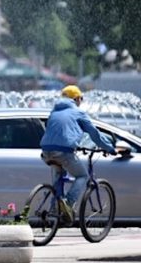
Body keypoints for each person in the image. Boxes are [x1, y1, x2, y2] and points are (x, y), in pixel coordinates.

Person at [40, 85, 116, 223]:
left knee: (59, 177)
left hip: (46, 151)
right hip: (63, 151)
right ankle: (68, 204)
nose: (81, 101)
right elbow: (94, 134)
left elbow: (60, 132)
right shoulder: (78, 112)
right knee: (82, 176)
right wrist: (110, 148)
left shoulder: (54, 111)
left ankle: (54, 208)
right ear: (76, 99)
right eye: (81, 98)